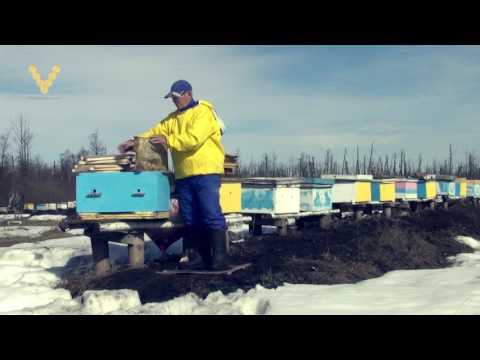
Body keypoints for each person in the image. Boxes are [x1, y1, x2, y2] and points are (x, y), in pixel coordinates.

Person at [119, 80, 230, 271]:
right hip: (184, 174)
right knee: (190, 217)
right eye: (172, 98)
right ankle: (199, 257)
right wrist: (135, 141)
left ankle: (220, 257)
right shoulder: (172, 119)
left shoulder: (203, 112)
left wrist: (168, 140)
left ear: (188, 93)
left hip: (206, 171)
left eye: (177, 97)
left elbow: (193, 139)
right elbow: (155, 132)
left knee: (210, 213)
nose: (174, 101)